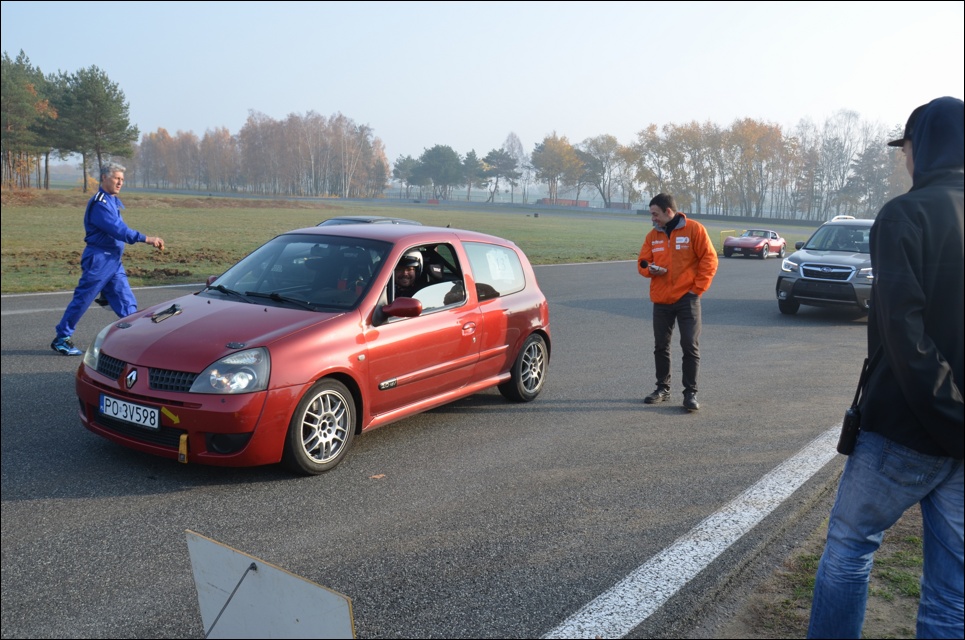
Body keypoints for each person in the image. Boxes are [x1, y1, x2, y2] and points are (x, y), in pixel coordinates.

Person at [807, 96, 964, 639]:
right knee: (952, 589)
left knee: (849, 550)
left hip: (905, 428)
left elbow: (904, 334)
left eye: (907, 148)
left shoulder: (905, 214)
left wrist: (951, 416)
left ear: (925, 147)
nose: (905, 159)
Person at [50, 162, 165, 356]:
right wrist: (147, 239)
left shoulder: (112, 201)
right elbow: (118, 230)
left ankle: (135, 340)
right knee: (83, 300)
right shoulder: (100, 203)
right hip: (99, 260)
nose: (120, 183)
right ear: (104, 178)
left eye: (122, 179)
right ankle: (62, 337)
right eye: (116, 178)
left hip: (113, 261)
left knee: (127, 302)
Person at [637, 193, 719, 411]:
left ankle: (690, 393)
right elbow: (642, 262)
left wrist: (696, 289)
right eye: (651, 214)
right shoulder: (652, 236)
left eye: (655, 214)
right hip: (661, 299)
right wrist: (650, 269)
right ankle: (662, 389)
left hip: (687, 299)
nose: (653, 218)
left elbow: (709, 259)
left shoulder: (695, 229)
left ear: (668, 211)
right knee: (661, 346)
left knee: (689, 345)